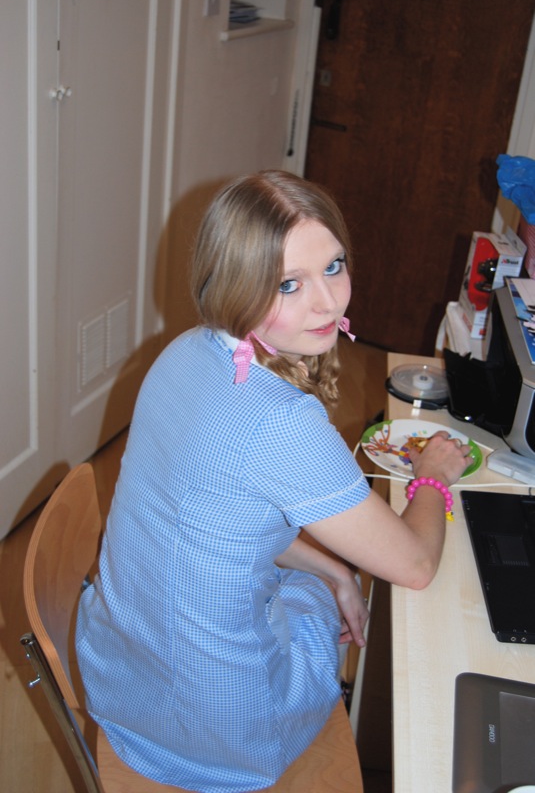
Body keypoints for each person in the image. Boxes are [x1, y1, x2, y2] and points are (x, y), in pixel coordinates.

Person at [76, 170, 471, 792]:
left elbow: (220, 518)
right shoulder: (284, 420)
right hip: (224, 732)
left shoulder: (183, 350)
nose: (328, 303)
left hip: (121, 673)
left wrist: (334, 567)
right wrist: (431, 476)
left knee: (330, 574)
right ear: (235, 282)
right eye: (288, 284)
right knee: (365, 605)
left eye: (334, 267)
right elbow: (416, 564)